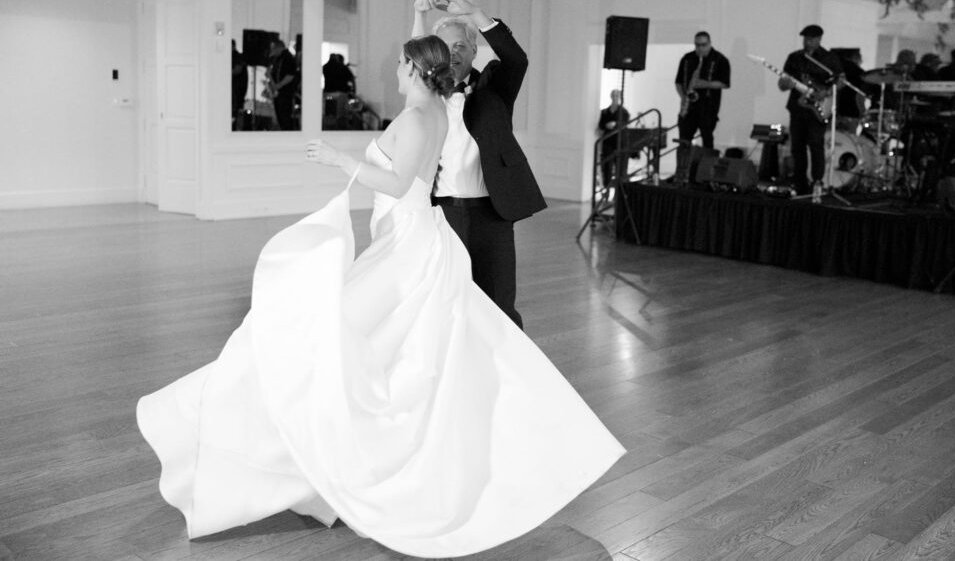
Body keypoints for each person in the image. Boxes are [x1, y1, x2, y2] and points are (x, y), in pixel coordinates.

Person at [136, 34, 625, 558]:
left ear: (415, 69)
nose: (394, 68)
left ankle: (342, 449)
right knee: (378, 342)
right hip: (412, 236)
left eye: (400, 62)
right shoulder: (433, 108)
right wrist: (420, 21)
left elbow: (395, 185)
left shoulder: (415, 119)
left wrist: (338, 160)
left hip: (410, 242)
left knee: (343, 335)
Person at [411, 0, 545, 330]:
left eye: (461, 46)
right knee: (444, 298)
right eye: (445, 48)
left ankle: (507, 374)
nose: (453, 54)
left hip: (492, 213)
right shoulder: (426, 93)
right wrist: (420, 15)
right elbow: (413, 61)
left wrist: (474, 12)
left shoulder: (496, 87)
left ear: (474, 50)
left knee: (499, 304)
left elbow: (517, 58)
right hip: (441, 213)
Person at [778, 24, 845, 201]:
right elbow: (782, 84)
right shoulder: (795, 58)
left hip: (818, 108)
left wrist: (827, 92)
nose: (808, 42)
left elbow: (841, 81)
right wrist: (787, 84)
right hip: (798, 107)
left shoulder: (829, 58)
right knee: (797, 147)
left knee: (816, 144)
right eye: (805, 39)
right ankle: (800, 185)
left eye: (812, 39)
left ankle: (817, 183)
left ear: (819, 39)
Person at [673, 31, 731, 151]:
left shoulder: (720, 60)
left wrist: (705, 84)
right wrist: (683, 96)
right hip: (688, 108)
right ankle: (682, 168)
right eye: (697, 45)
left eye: (703, 45)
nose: (700, 48)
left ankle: (705, 168)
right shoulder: (687, 58)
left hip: (708, 108)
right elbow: (678, 82)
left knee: (707, 142)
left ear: (709, 43)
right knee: (683, 142)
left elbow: (725, 83)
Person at [597, 88, 630, 187]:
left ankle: (618, 192)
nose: (615, 98)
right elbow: (601, 125)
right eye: (613, 95)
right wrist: (606, 125)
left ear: (619, 97)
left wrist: (615, 124)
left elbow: (625, 123)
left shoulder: (624, 112)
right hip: (608, 142)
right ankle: (606, 189)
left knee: (620, 168)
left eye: (617, 96)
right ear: (611, 97)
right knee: (607, 167)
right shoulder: (605, 111)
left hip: (619, 142)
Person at [266, 39, 298, 130]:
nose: (272, 51)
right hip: (278, 93)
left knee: (285, 118)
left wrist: (279, 85)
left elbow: (290, 75)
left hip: (285, 93)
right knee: (280, 118)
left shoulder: (288, 58)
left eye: (273, 49)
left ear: (279, 48)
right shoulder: (277, 59)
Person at [231, 40, 249, 130]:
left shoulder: (238, 57)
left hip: (237, 90)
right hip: (235, 89)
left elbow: (237, 70)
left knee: (234, 111)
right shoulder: (234, 56)